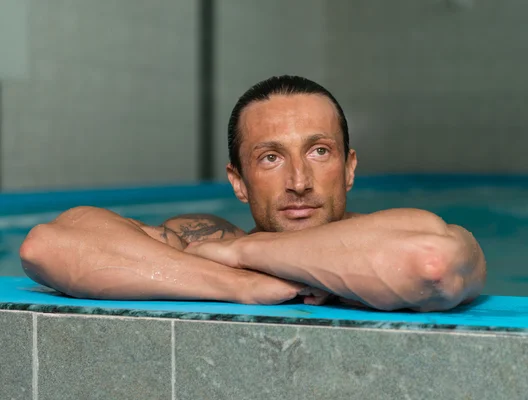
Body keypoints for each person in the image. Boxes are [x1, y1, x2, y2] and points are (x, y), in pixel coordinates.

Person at [19, 75, 486, 311]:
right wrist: (240, 284)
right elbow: (49, 245)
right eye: (270, 157)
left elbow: (432, 265)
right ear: (238, 182)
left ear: (349, 169)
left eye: (320, 152)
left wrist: (250, 249)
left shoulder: (388, 233)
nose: (299, 181)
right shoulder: (206, 242)